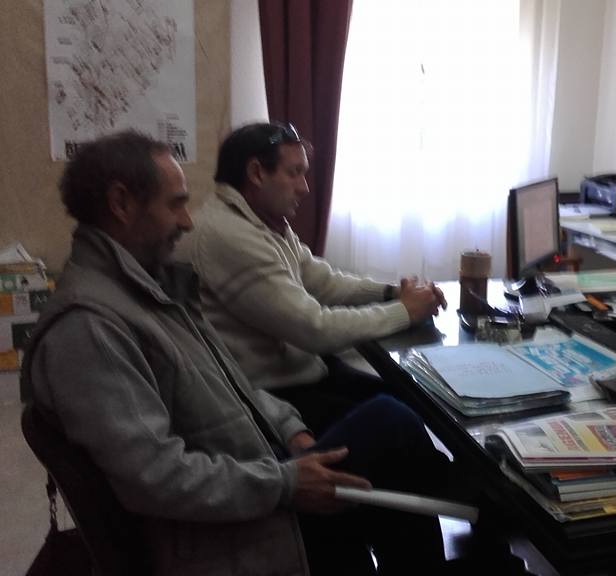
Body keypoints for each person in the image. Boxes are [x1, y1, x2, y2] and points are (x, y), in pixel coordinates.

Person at [22, 130, 452, 575]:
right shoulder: (89, 328)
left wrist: (291, 430)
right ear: (121, 203)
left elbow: (233, 382)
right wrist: (285, 483)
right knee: (390, 425)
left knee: (388, 458)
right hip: (222, 535)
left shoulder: (148, 291)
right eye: (175, 204)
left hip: (253, 475)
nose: (187, 222)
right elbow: (155, 477)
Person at [176, 122, 446, 432]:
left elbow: (323, 281)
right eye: (294, 173)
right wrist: (405, 311)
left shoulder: (261, 220)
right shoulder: (227, 234)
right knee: (400, 419)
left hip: (301, 371)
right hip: (270, 398)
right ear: (257, 173)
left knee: (412, 397)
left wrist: (392, 293)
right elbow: (315, 328)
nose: (304, 187)